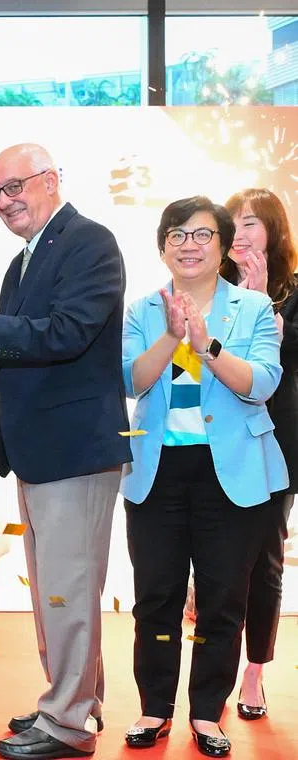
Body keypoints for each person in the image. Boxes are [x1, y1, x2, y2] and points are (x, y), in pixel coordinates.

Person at [0, 143, 130, 760]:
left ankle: (66, 724)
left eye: (17, 185)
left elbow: (69, 333)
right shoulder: (23, 263)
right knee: (54, 592)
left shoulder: (90, 242)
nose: (7, 200)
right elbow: (30, 350)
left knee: (67, 589)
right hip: (38, 448)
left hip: (74, 451)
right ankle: (70, 702)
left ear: (51, 180)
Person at [119, 196, 285, 757]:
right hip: (158, 468)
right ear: (163, 246)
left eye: (201, 235)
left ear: (222, 245)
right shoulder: (144, 310)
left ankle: (206, 713)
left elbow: (260, 383)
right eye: (176, 235)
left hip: (229, 471)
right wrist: (170, 335)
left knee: (222, 597)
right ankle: (154, 706)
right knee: (156, 595)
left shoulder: (254, 308)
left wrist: (204, 342)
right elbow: (133, 381)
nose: (188, 245)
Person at [220, 188, 298, 723]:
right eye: (232, 224)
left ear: (272, 228)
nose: (240, 233)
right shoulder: (215, 290)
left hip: (284, 442)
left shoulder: (294, 291)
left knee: (265, 561)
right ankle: (215, 672)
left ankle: (254, 671)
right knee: (227, 561)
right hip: (224, 440)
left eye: (249, 222)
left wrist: (263, 301)